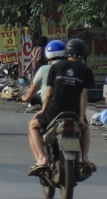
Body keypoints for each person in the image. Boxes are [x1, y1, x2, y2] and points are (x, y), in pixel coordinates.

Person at [27, 37, 96, 171]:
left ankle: (41, 158)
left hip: (55, 110)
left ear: (67, 52)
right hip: (75, 111)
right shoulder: (86, 71)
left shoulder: (56, 67)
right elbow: (84, 96)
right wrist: (82, 118)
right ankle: (84, 157)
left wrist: (43, 110)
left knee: (33, 126)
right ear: (84, 53)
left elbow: (49, 94)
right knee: (85, 128)